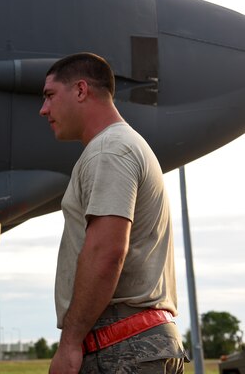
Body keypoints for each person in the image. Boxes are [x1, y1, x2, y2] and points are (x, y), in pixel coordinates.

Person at [40, 53, 188, 373]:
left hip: (120, 347)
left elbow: (106, 251)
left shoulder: (109, 150)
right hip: (139, 342)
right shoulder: (122, 145)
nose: (44, 109)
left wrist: (69, 344)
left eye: (50, 95)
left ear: (81, 90)